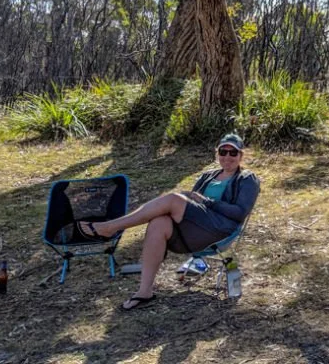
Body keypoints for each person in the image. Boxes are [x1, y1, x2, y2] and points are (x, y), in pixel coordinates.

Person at [77, 133, 260, 310]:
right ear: (217, 153)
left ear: (241, 156)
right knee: (159, 222)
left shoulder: (246, 179)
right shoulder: (208, 176)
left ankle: (111, 227)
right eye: (223, 152)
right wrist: (191, 200)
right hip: (194, 233)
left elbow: (239, 213)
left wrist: (205, 201)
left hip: (221, 229)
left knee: (173, 199)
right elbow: (191, 204)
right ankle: (144, 291)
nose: (227, 157)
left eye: (233, 152)